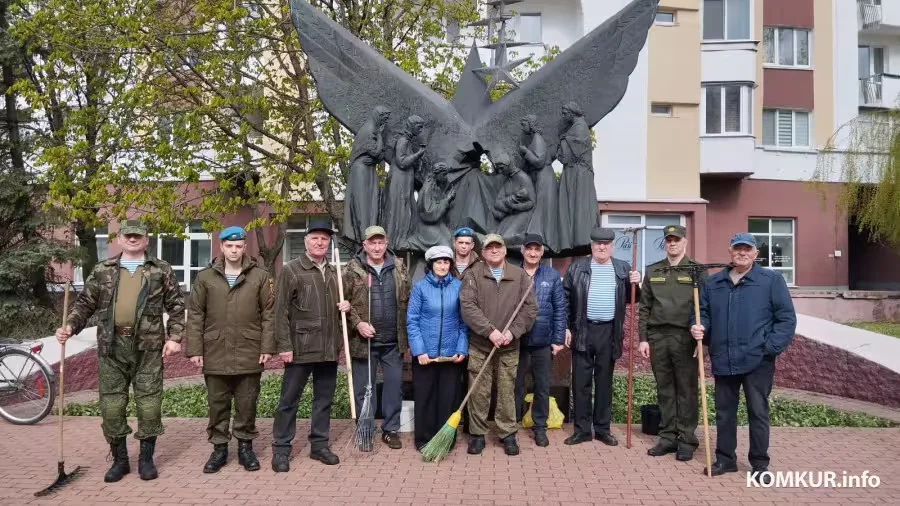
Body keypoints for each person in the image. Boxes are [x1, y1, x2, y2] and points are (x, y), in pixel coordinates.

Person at [56, 220, 184, 482]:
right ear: (121, 239)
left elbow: (176, 305)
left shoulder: (160, 270)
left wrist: (175, 337)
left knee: (149, 405)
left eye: (138, 235)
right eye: (129, 235)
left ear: (147, 240)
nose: (133, 239)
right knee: (112, 407)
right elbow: (85, 303)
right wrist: (70, 325)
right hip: (111, 348)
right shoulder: (103, 270)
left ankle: (146, 459)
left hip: (147, 348)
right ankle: (120, 460)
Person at [690, 233, 797, 479]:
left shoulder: (770, 280)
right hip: (723, 358)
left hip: (757, 361)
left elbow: (786, 319)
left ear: (755, 253)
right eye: (737, 249)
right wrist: (698, 326)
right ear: (730, 251)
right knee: (724, 413)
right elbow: (701, 313)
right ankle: (725, 460)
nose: (742, 253)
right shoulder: (714, 283)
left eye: (747, 249)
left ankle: (760, 465)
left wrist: (768, 349)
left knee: (757, 412)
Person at [186, 226, 275, 473]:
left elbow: (269, 314)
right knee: (218, 404)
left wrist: (267, 346)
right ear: (222, 247)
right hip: (215, 349)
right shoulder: (205, 277)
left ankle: (246, 448)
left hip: (249, 348)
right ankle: (219, 449)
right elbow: (195, 315)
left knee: (247, 403)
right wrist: (195, 349)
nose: (234, 250)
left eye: (238, 246)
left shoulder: (260, 276)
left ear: (245, 247)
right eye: (229, 246)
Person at [271, 220, 351, 471]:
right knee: (289, 400)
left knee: (323, 400)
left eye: (324, 239)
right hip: (301, 347)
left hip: (328, 347)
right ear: (305, 242)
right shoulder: (292, 270)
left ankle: (319, 445)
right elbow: (280, 311)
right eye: (315, 238)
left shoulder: (335, 271)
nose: (320, 243)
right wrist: (284, 345)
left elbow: (341, 304)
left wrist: (345, 306)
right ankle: (282, 449)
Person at [459, 234, 537, 456]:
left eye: (498, 247)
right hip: (480, 345)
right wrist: (490, 331)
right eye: (489, 247)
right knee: (479, 392)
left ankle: (507, 433)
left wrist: (512, 333)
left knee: (506, 391)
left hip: (509, 346)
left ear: (504, 250)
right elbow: (468, 307)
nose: (494, 250)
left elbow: (530, 309)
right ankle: (477, 434)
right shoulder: (473, 274)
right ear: (483, 252)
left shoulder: (519, 276)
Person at [563, 227, 641, 447]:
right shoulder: (577, 268)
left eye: (606, 243)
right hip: (582, 330)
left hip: (609, 332)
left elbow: (634, 299)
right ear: (591, 246)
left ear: (612, 246)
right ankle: (582, 430)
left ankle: (602, 429)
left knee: (604, 383)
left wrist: (637, 282)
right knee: (581, 383)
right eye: (598, 243)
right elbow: (565, 299)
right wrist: (567, 328)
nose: (602, 247)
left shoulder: (623, 269)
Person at [638, 224, 705, 462]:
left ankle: (686, 439)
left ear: (685, 242)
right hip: (658, 337)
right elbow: (644, 307)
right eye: (668, 240)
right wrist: (643, 339)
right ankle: (667, 437)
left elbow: (704, 308)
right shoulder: (653, 270)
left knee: (686, 390)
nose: (672, 243)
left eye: (676, 240)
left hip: (685, 338)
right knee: (665, 389)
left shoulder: (697, 270)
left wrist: (702, 337)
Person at [344, 226, 411, 450]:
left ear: (386, 243)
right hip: (364, 342)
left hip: (392, 342)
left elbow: (408, 300)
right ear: (364, 245)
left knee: (393, 387)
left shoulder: (399, 268)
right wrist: (358, 323)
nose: (376, 247)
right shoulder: (352, 270)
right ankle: (366, 430)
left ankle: (391, 430)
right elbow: (343, 304)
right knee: (365, 389)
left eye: (380, 242)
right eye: (372, 243)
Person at [406, 245, 468, 451]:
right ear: (431, 265)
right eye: (438, 262)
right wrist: (419, 351)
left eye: (446, 262)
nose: (442, 265)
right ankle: (423, 439)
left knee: (447, 398)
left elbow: (464, 322)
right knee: (425, 397)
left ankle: (444, 440)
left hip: (451, 356)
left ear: (450, 265)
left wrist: (461, 348)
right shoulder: (420, 288)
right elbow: (412, 321)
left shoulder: (459, 287)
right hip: (426, 355)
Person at [514, 234, 565, 447]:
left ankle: (540, 427)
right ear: (523, 251)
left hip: (543, 341)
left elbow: (560, 309)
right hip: (516, 341)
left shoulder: (551, 276)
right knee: (514, 386)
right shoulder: (513, 274)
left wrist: (558, 338)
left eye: (537, 249)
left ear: (542, 252)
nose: (533, 253)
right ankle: (512, 426)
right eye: (529, 249)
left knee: (542, 386)